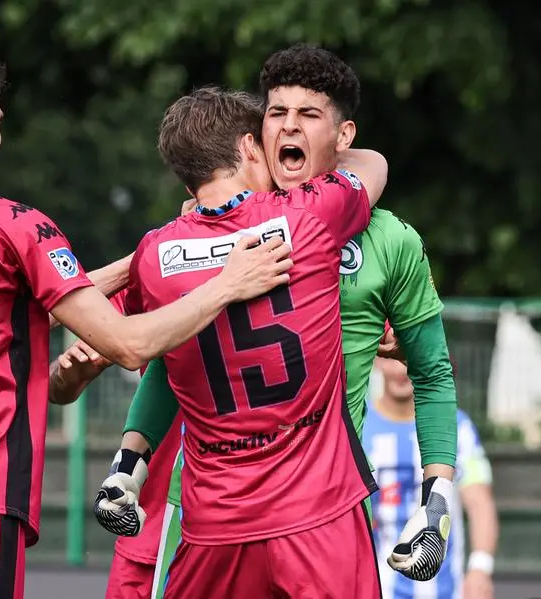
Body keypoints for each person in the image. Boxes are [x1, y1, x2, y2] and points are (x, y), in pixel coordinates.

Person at [0, 36, 292, 599]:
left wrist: (159, 252)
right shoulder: (13, 224)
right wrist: (224, 280)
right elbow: (128, 346)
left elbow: (14, 304)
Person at [55, 44, 458, 598]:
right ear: (255, 137)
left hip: (303, 502)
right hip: (237, 505)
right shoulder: (308, 220)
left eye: (309, 115)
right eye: (275, 113)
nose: (288, 127)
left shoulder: (389, 239)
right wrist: (133, 453)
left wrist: (436, 498)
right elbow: (171, 366)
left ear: (343, 135)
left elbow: (433, 372)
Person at [100, 84, 388, 598]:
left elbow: (162, 364)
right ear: (250, 148)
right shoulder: (309, 216)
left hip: (216, 523)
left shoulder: (152, 255)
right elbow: (373, 165)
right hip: (318, 512)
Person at [365, 357, 499, 599]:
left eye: (409, 357)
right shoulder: (360, 429)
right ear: (377, 360)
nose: (402, 369)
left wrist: (480, 568)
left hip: (448, 592)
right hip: (381, 590)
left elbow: (479, 502)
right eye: (392, 358)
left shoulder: (459, 427)